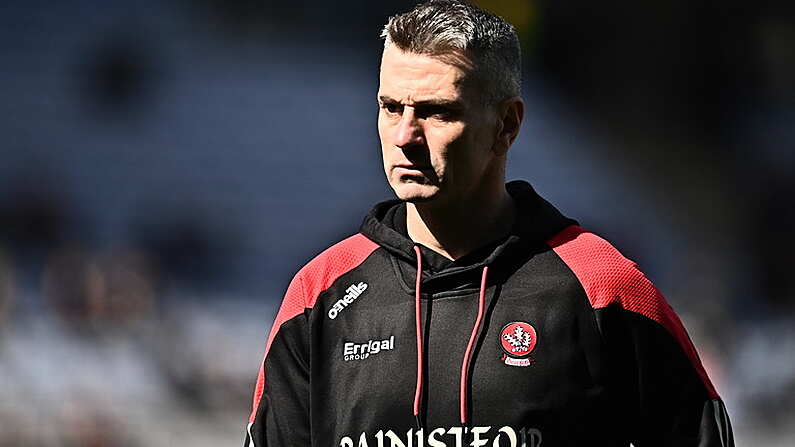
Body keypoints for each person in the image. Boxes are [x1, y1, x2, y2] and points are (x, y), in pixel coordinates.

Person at [243, 1, 734, 446]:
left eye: (438, 113)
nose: (405, 135)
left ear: (507, 125)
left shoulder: (603, 288)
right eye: (391, 108)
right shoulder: (318, 293)